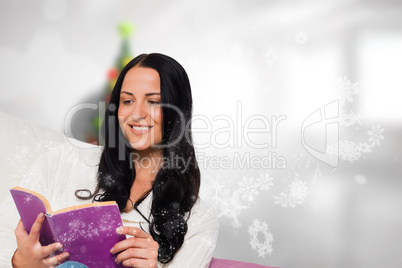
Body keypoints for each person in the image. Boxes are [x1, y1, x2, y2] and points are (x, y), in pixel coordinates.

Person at [0, 53, 219, 267]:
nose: (137, 113)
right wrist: (19, 262)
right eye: (127, 100)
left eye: (153, 102)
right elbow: (3, 238)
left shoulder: (200, 221)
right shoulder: (61, 161)